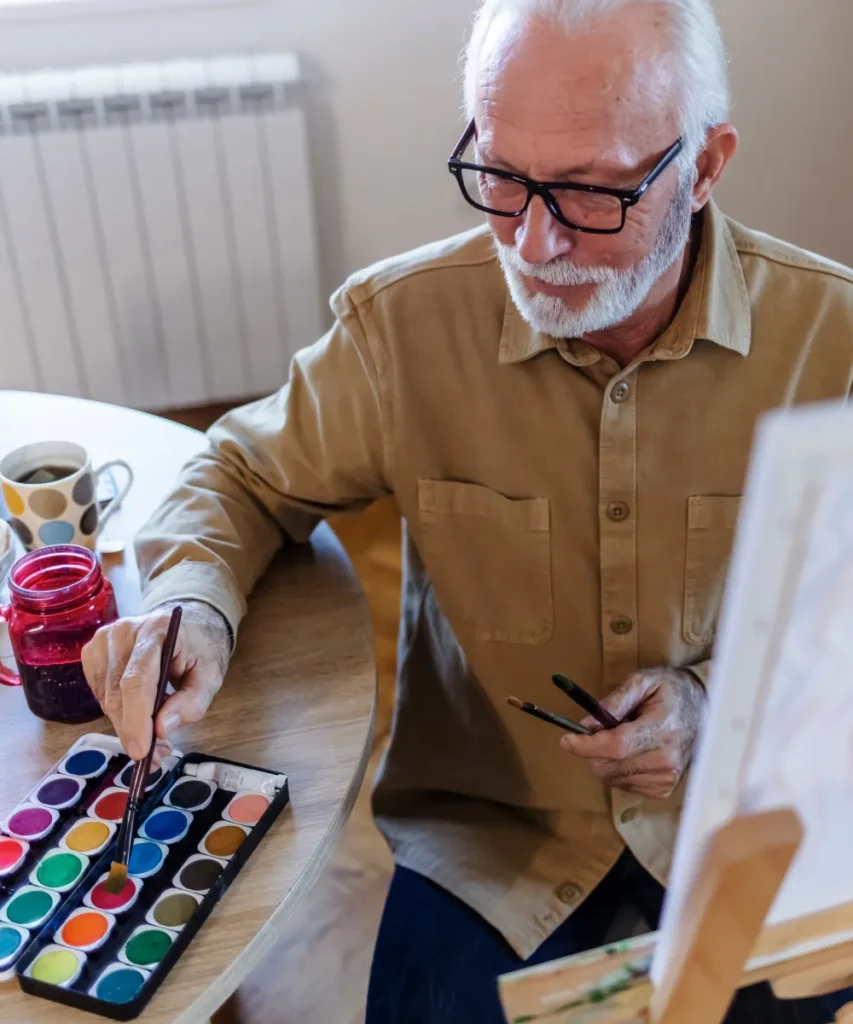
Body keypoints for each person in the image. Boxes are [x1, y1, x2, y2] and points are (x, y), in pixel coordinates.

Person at [82, 0, 853, 1020]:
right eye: (499, 175)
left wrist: (710, 701)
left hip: (752, 816)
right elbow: (237, 473)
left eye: (589, 192)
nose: (531, 241)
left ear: (705, 166)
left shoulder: (833, 343)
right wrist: (196, 608)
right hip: (494, 834)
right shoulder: (404, 330)